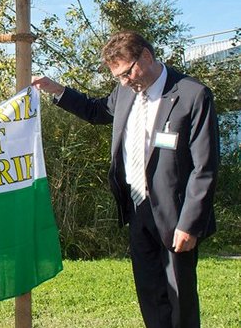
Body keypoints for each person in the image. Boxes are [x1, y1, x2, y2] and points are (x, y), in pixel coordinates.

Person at [32, 31, 218, 328]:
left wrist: (189, 223)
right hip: (137, 209)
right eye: (117, 77)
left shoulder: (192, 94)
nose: (124, 82)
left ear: (146, 56)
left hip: (175, 215)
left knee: (179, 296)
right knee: (150, 292)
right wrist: (57, 89)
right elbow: (96, 111)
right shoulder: (126, 92)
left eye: (126, 73)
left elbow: (205, 166)